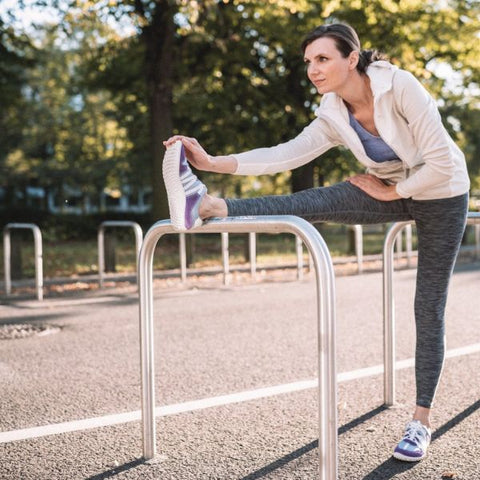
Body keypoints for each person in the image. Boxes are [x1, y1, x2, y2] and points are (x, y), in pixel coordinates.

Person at [162, 23, 470, 462]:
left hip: (441, 193)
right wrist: (213, 162)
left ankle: (420, 421)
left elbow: (440, 162)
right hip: (387, 188)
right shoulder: (333, 111)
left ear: (352, 58)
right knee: (311, 201)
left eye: (322, 59)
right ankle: (210, 206)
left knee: (428, 304)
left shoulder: (401, 87)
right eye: (308, 61)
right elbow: (286, 153)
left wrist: (394, 191)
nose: (313, 68)